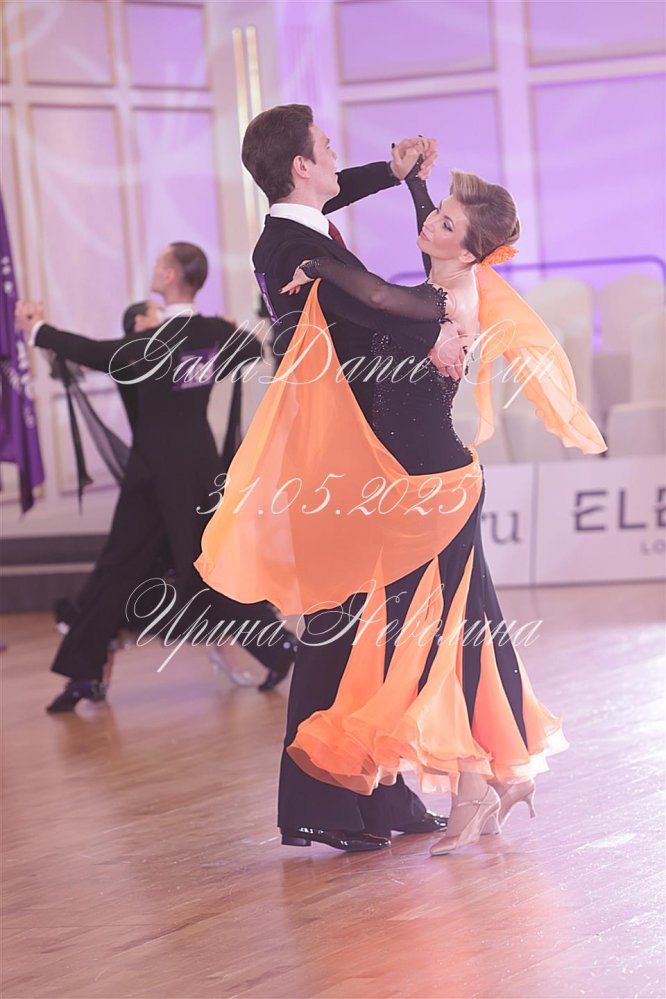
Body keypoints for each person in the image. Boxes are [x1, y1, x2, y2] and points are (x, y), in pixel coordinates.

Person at [196, 141, 606, 855]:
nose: (430, 224)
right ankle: (494, 777)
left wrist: (322, 267)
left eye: (445, 223)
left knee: (441, 634)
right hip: (408, 482)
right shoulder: (440, 278)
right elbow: (420, 256)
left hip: (433, 486)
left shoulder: (444, 296)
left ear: (470, 250)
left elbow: (385, 298)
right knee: (456, 628)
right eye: (435, 214)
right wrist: (412, 185)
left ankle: (477, 785)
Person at [200, 105, 454, 854]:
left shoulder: (300, 230)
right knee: (339, 626)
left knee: (375, 625)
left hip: (358, 447)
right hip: (334, 458)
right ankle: (323, 803)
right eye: (328, 148)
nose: (338, 156)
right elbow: (371, 304)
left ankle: (378, 790)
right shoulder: (292, 247)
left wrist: (395, 174)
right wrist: (442, 316)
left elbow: (332, 206)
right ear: (302, 166)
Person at [15, 242, 299, 713]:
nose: (153, 268)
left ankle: (85, 675)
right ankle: (278, 648)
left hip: (154, 473)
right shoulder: (210, 332)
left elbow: (95, 352)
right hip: (197, 467)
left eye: (159, 263)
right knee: (207, 567)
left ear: (170, 276)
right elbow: (251, 349)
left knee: (123, 568)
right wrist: (223, 336)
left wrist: (38, 330)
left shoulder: (156, 341)